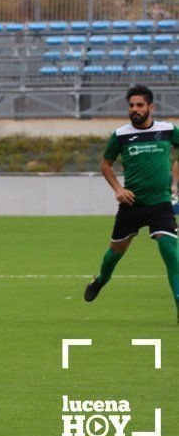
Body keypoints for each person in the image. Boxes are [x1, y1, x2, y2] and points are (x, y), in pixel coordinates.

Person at [84, 85, 179, 324]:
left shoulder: (167, 130)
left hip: (161, 204)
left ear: (151, 107)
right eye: (131, 106)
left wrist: (175, 182)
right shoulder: (120, 135)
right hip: (132, 204)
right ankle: (101, 281)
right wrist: (118, 189)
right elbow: (105, 165)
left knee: (171, 254)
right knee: (115, 253)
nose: (134, 110)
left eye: (139, 105)